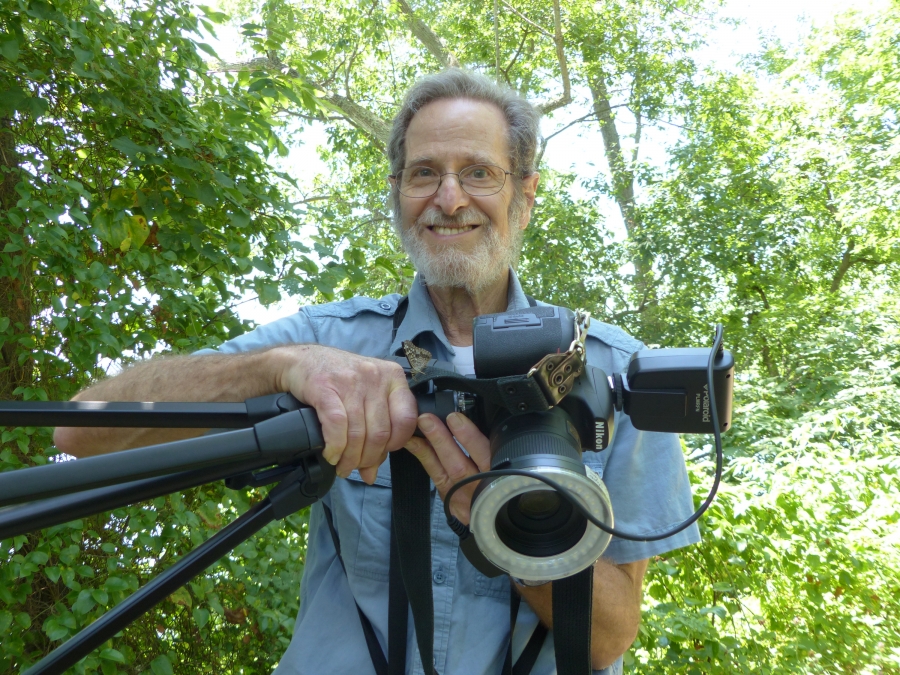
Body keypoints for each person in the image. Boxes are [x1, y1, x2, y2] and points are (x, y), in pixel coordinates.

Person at [54, 69, 699, 675]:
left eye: (478, 172)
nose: (448, 199)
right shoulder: (330, 343)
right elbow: (83, 433)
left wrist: (500, 516)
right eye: (424, 173)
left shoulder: (612, 373)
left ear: (526, 194)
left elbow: (609, 635)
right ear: (397, 195)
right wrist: (282, 367)